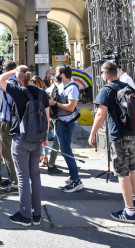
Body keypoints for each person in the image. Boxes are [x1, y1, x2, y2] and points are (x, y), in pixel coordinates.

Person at [0, 66, 49, 226]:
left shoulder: (17, 91)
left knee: (23, 177)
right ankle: (37, 214)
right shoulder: (42, 93)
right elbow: (46, 118)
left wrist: (13, 71)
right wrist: (45, 139)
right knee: (35, 176)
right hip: (37, 140)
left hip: (21, 139)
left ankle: (25, 215)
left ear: (19, 79)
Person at [88, 61, 135, 223]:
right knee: (133, 167)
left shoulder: (106, 90)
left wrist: (92, 134)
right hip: (134, 133)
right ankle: (134, 199)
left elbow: (100, 114)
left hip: (119, 135)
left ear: (105, 75)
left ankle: (129, 212)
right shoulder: (127, 87)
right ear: (117, 73)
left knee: (121, 170)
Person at [48, 65, 83, 193]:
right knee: (65, 150)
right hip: (61, 122)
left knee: (67, 151)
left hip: (66, 124)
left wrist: (55, 103)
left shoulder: (72, 88)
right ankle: (73, 178)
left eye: (56, 72)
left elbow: (71, 107)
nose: (54, 74)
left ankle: (76, 180)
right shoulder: (63, 85)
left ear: (62, 74)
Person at [0, 59, 19, 194]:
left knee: (7, 152)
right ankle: (15, 177)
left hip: (8, 121)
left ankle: (15, 182)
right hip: (18, 121)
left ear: (5, 70)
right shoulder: (19, 80)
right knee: (17, 152)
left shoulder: (6, 83)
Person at [45, 72, 63, 174]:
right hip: (56, 116)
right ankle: (51, 164)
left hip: (51, 116)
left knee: (55, 139)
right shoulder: (57, 88)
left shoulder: (49, 88)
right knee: (56, 141)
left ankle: (49, 162)